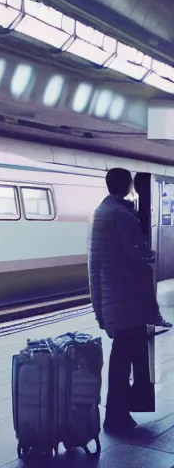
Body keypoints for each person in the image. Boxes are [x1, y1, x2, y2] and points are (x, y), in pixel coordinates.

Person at [88, 168, 158, 433]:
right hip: (127, 300)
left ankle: (122, 411)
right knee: (125, 360)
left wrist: (99, 310)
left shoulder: (102, 211)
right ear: (128, 184)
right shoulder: (120, 214)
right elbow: (140, 252)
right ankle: (117, 415)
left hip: (113, 298)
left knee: (125, 358)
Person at [132, 173, 172, 332]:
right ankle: (152, 317)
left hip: (138, 260)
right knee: (146, 289)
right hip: (141, 259)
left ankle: (151, 318)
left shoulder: (133, 208)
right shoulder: (136, 210)